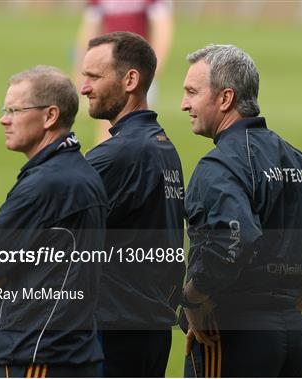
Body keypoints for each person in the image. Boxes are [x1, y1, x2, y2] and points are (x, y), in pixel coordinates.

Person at [179, 44, 302, 378]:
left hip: (232, 333)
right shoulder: (295, 158)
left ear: (225, 99)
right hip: (291, 333)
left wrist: (194, 297)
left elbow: (234, 240)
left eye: (192, 92)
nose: (184, 104)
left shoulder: (218, 166)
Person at [0, 66, 109, 377]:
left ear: (50, 116)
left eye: (14, 110)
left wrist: (2, 269)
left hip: (37, 357)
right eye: (4, 109)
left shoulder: (48, 184)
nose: (4, 119)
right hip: (69, 353)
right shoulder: (78, 172)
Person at [80, 32, 185, 377]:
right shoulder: (163, 146)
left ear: (130, 80)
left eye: (94, 77)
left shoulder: (117, 156)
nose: (84, 87)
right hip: (151, 326)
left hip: (112, 331)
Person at [74, 0, 174, 144]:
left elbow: (162, 32)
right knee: (108, 131)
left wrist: (151, 72)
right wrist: (81, 73)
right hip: (108, 70)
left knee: (137, 131)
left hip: (138, 70)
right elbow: (90, 31)